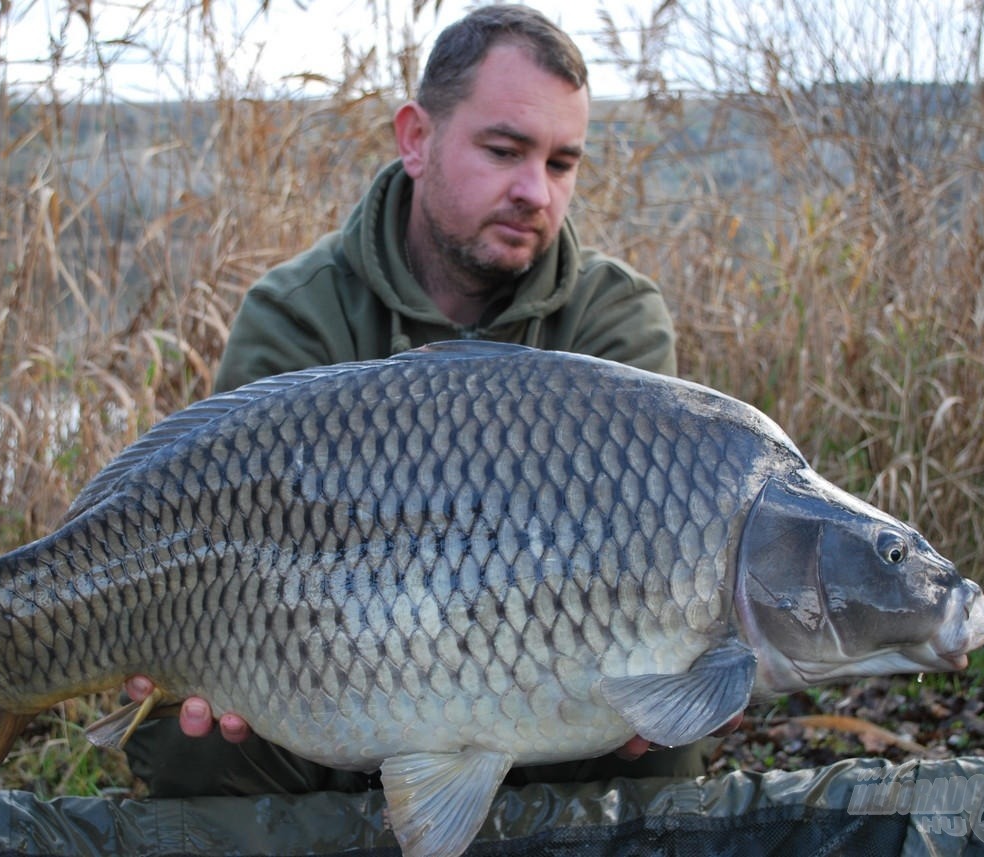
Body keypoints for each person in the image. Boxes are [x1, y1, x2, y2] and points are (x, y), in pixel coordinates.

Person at [122, 3, 737, 799]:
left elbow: (645, 551)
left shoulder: (614, 321)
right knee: (194, 735)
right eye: (505, 150)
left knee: (663, 730)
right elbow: (222, 529)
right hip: (331, 667)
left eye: (561, 164)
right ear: (416, 138)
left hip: (545, 673)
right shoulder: (298, 311)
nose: (534, 192)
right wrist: (220, 648)